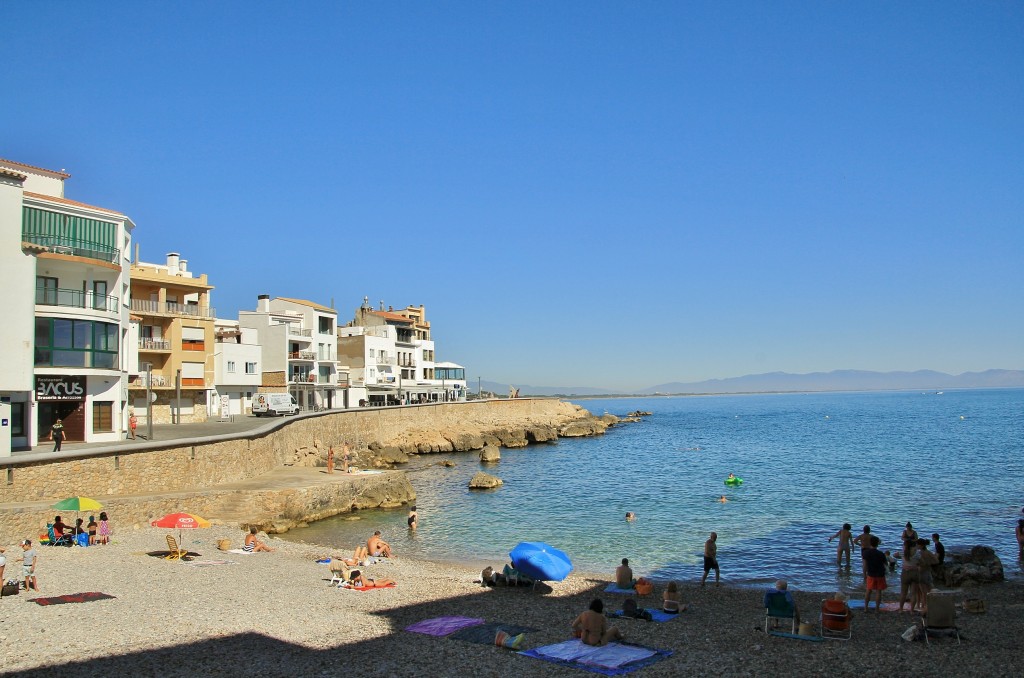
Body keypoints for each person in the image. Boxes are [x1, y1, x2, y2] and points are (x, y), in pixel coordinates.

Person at [863, 535, 888, 612]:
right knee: (878, 591)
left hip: (871, 573)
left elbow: (864, 565)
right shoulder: (881, 554)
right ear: (877, 544)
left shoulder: (866, 553)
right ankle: (877, 609)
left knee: (868, 590)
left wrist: (864, 574)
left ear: (870, 543)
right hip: (880, 574)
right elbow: (886, 564)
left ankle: (866, 608)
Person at [912, 538, 936, 610]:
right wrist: (929, 563)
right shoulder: (928, 552)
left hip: (921, 572)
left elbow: (918, 562)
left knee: (920, 591)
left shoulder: (919, 553)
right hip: (928, 571)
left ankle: (922, 605)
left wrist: (922, 564)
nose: (916, 545)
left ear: (921, 545)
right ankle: (925, 604)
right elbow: (936, 560)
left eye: (917, 544)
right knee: (927, 589)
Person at [898, 539, 920, 613]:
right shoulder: (917, 553)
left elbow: (895, 555)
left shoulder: (902, 552)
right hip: (914, 573)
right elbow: (922, 561)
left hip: (905, 573)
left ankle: (901, 609)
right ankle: (912, 610)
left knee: (903, 593)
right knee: (913, 593)